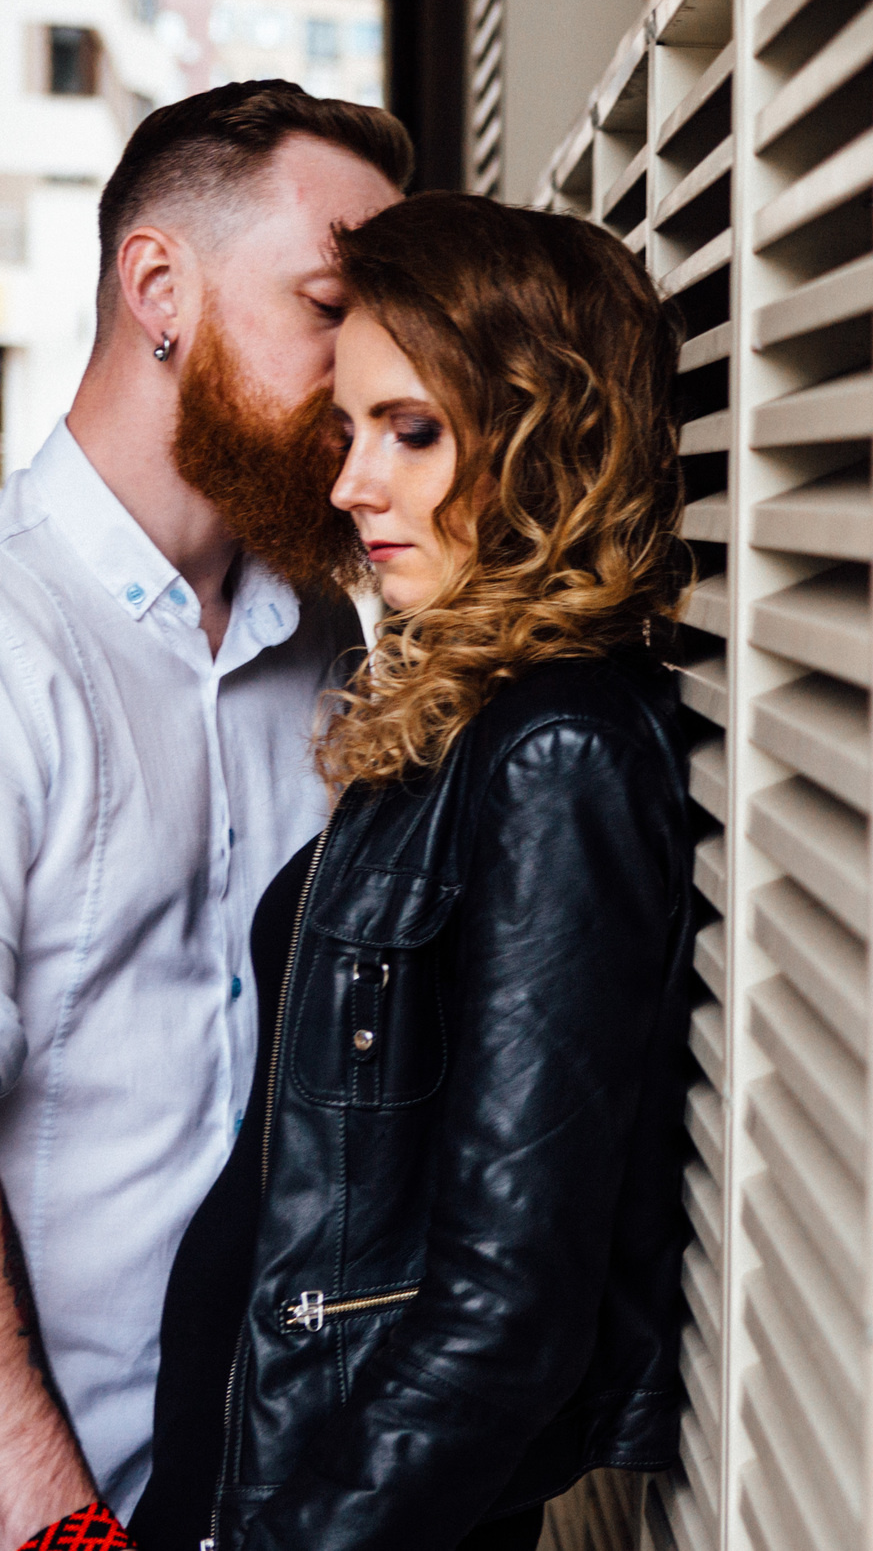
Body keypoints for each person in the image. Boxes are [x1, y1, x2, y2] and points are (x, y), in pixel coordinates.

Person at [127, 191, 697, 1551]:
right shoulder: (459, 716)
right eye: (350, 428)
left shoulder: (558, 751)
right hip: (258, 1458)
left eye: (413, 431)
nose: (348, 484)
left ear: (548, 439)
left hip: (335, 1506)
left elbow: (509, 1312)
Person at [0, 81, 408, 1544]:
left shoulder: (329, 644)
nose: (369, 359)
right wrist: (55, 1523)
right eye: (330, 302)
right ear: (159, 287)